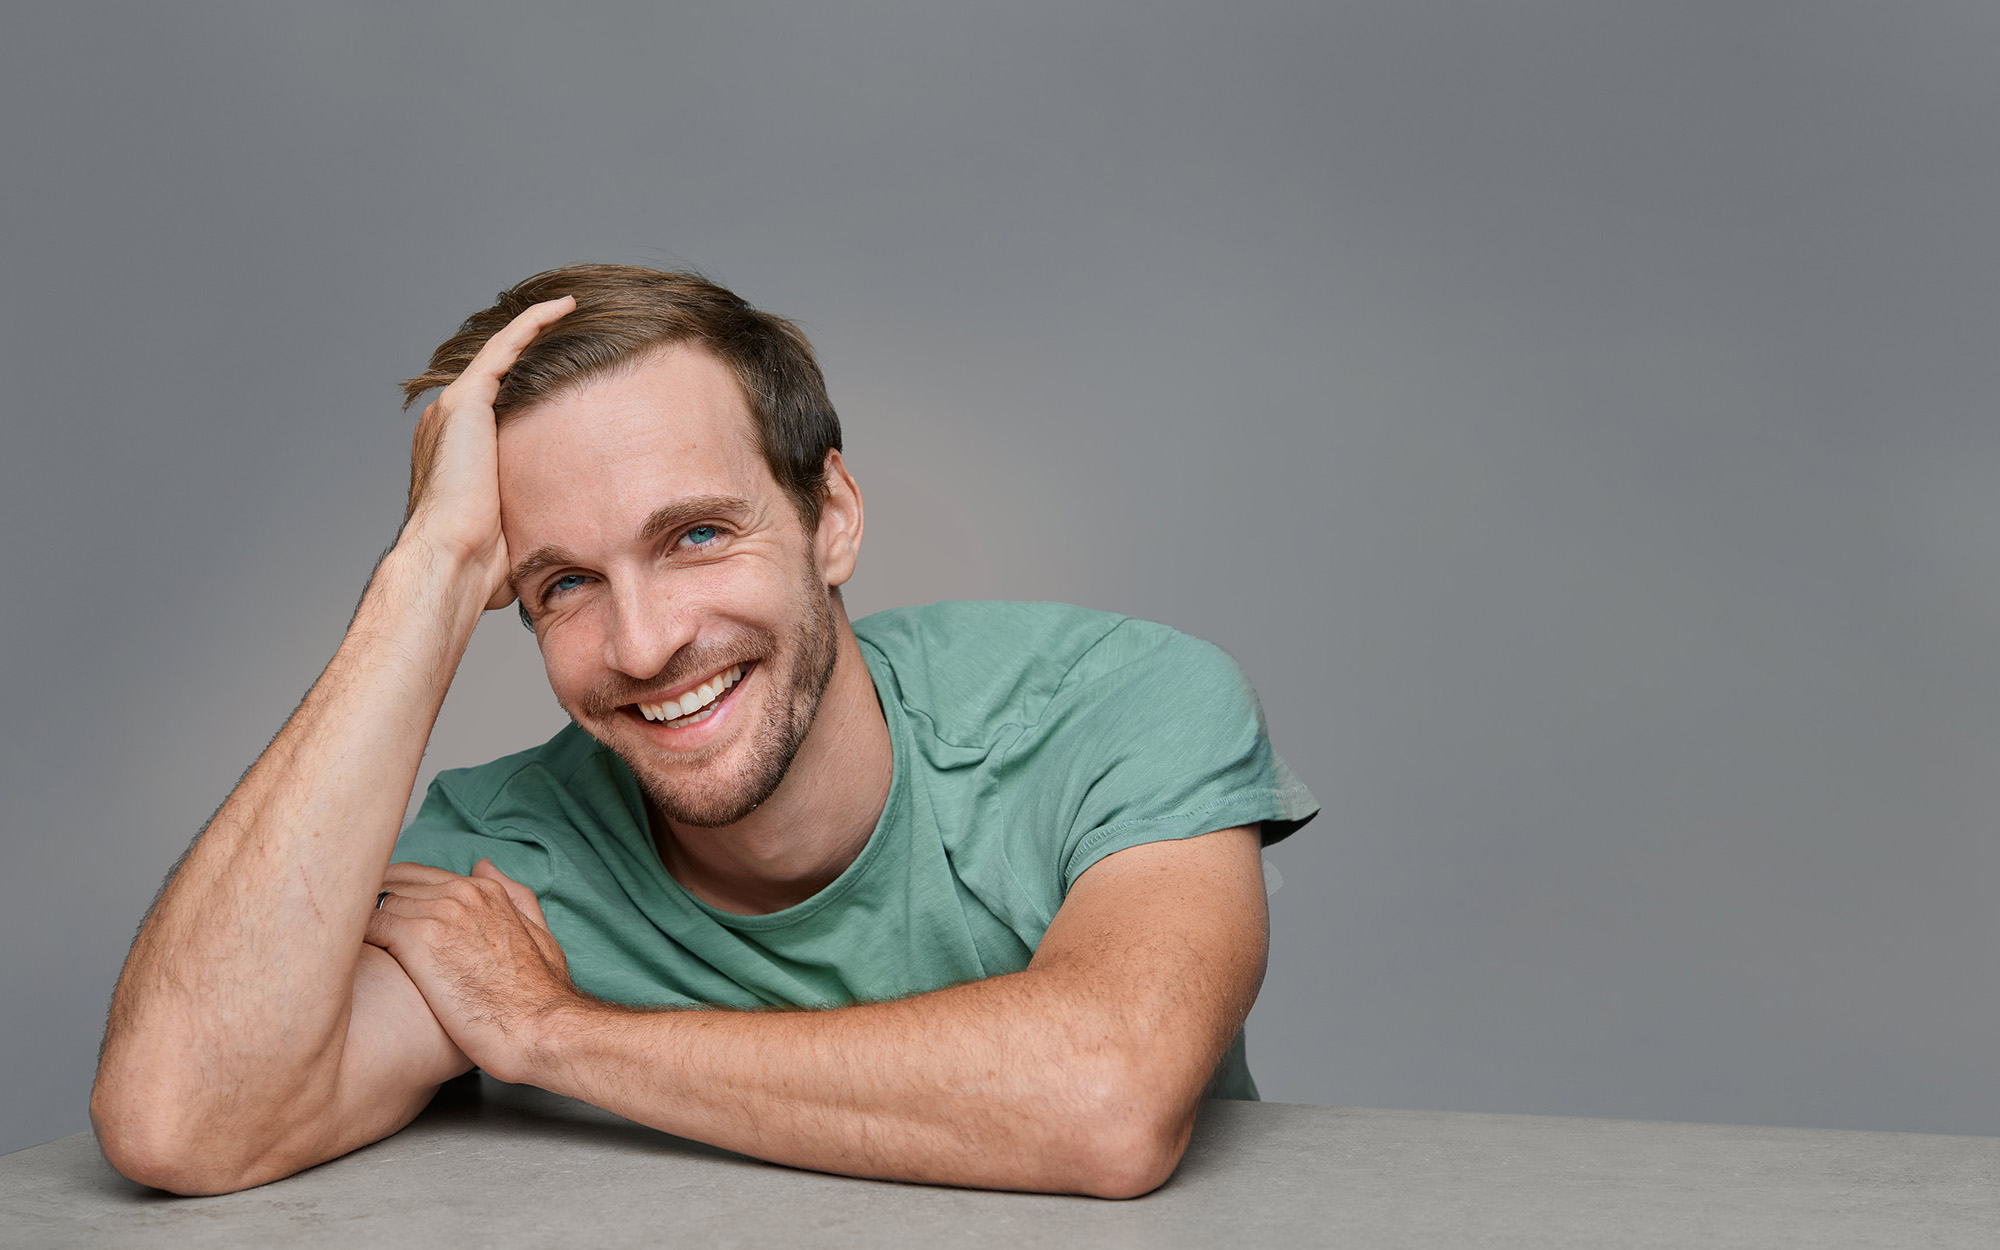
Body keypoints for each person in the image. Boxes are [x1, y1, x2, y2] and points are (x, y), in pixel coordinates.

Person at [90, 265, 1318, 1199]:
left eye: (693, 536)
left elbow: (1105, 1097)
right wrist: (425, 571)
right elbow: (180, 1118)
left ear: (829, 515)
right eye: (559, 582)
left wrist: (553, 1033)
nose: (641, 643)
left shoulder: (1115, 703)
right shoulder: (504, 861)